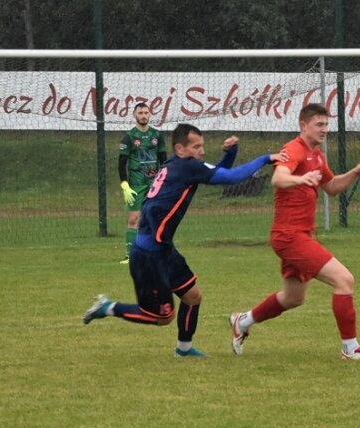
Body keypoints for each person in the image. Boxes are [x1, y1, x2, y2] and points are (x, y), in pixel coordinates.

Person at [84, 123, 289, 357]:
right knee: (162, 316)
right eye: (196, 147)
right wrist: (265, 158)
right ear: (180, 149)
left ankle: (184, 349)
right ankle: (107, 307)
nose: (201, 151)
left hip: (163, 248)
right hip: (149, 254)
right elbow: (230, 178)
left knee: (192, 297)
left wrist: (230, 154)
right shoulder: (186, 167)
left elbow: (217, 175)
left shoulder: (179, 165)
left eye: (202, 145)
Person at [229, 103, 360, 361]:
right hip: (289, 236)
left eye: (326, 125)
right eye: (319, 124)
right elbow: (279, 178)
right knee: (344, 280)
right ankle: (350, 348)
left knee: (293, 297)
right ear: (303, 125)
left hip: (299, 235)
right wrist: (300, 180)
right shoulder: (293, 150)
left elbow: (331, 186)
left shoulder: (318, 155)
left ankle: (242, 321)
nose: (324, 129)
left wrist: (356, 171)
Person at [118, 102, 167, 264]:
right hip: (136, 185)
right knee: (134, 218)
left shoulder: (157, 135)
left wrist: (164, 181)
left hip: (154, 184)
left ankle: (155, 252)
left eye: (146, 112)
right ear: (134, 115)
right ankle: (130, 255)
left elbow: (164, 161)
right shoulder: (129, 137)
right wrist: (124, 184)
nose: (144, 115)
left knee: (154, 217)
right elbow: (121, 163)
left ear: (150, 115)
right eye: (140, 113)